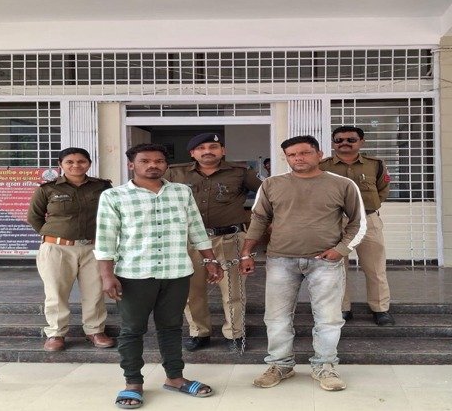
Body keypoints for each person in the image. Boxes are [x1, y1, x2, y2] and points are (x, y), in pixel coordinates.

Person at [94, 143, 224, 409]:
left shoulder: (181, 192)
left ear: (166, 164)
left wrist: (211, 260)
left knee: (172, 327)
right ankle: (133, 383)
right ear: (132, 164)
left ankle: (175, 378)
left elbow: (196, 229)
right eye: (145, 161)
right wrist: (107, 275)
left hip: (176, 272)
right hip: (134, 274)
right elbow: (105, 238)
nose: (153, 165)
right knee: (132, 330)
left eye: (159, 161)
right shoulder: (114, 196)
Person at [239, 135, 366, 392]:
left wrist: (341, 250)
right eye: (292, 154)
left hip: (325, 262)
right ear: (286, 158)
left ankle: (325, 366)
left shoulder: (342, 184)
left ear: (319, 154)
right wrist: (246, 252)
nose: (298, 158)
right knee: (276, 318)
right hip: (280, 260)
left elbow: (358, 222)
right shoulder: (272, 184)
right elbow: (259, 219)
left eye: (305, 152)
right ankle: (280, 365)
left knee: (328, 318)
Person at [163, 133, 262, 352]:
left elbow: (268, 195)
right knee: (191, 291)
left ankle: (234, 334)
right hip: (189, 242)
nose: (207, 151)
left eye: (213, 146)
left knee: (233, 290)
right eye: (201, 148)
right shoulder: (174, 173)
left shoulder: (240, 173)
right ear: (192, 153)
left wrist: (260, 221)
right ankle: (199, 332)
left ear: (222, 150)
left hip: (229, 239)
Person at [26, 147, 115, 352]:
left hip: (94, 248)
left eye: (81, 161)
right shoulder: (47, 189)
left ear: (89, 163)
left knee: (94, 291)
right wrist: (54, 234)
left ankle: (95, 331)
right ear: (61, 165)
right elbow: (34, 217)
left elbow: (112, 214)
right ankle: (56, 334)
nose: (76, 165)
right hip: (57, 249)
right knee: (56, 292)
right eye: (70, 162)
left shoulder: (102, 187)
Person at [319, 126, 395, 326]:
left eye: (351, 140)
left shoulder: (375, 165)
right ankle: (342, 308)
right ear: (333, 143)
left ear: (361, 141)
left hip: (367, 220)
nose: (344, 143)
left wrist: (365, 208)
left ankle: (380, 309)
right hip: (334, 222)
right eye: (339, 140)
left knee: (375, 268)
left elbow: (382, 190)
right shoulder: (322, 166)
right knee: (336, 268)